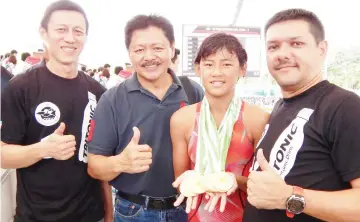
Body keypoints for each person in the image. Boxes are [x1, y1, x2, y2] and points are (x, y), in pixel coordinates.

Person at [244, 8, 360, 222]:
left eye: (296, 43)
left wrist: (290, 197)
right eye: (273, 46)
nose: (282, 53)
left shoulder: (344, 106)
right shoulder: (281, 106)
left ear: (321, 49)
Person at [1, 1, 113, 221]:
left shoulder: (99, 92)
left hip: (91, 215)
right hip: (36, 216)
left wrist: (109, 213)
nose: (70, 38)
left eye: (78, 31)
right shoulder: (20, 87)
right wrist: (43, 149)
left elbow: (101, 158)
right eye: (61, 29)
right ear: (44, 33)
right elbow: (3, 155)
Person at [87, 14, 204, 222]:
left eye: (157, 48)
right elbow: (94, 167)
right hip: (134, 211)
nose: (149, 56)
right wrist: (121, 162)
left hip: (187, 208)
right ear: (129, 53)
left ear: (172, 48)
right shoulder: (112, 99)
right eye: (139, 50)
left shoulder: (192, 92)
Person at [171, 33, 269, 222]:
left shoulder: (258, 119)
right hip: (196, 216)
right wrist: (192, 180)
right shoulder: (181, 120)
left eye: (226, 64)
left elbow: (266, 187)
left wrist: (232, 180)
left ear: (242, 69)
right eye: (208, 64)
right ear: (198, 69)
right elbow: (180, 182)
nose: (217, 72)